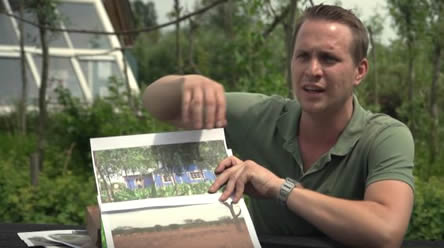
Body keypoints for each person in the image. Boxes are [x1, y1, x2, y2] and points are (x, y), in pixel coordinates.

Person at [142, 4, 414, 247]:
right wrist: (184, 85)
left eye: (329, 58)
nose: (313, 70)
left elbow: (385, 232)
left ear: (360, 71)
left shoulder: (385, 136)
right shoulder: (259, 116)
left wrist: (279, 188)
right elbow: (154, 102)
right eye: (303, 56)